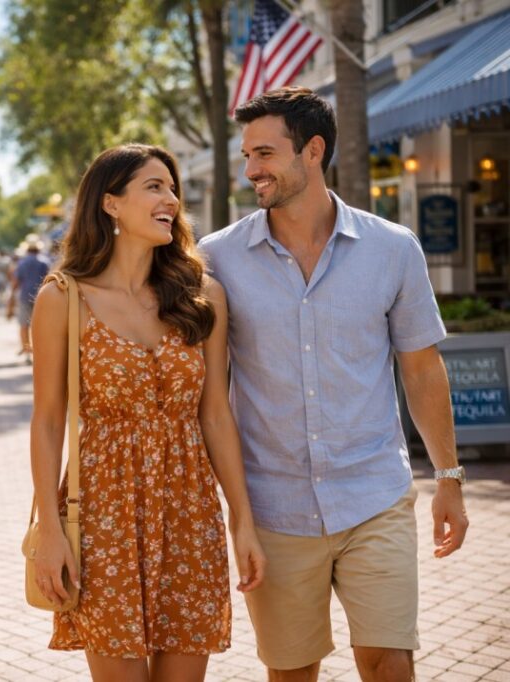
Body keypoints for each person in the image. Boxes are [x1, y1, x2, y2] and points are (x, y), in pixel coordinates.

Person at [199, 87, 468, 681]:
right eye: (246, 156)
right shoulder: (216, 259)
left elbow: (422, 367)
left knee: (389, 662)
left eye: (265, 154)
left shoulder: (392, 248)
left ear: (313, 150)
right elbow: (208, 393)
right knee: (293, 672)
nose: (251, 170)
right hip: (274, 508)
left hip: (374, 494)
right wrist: (235, 513)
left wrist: (448, 477)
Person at [30, 144, 265, 682]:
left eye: (172, 189)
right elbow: (47, 421)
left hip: (189, 511)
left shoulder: (202, 295)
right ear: (110, 203)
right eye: (154, 187)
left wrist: (242, 522)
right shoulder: (63, 298)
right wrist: (50, 531)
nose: (171, 200)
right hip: (104, 513)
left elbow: (216, 416)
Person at [7, 235, 50, 362]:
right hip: (42, 297)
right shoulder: (44, 262)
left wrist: (11, 297)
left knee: (24, 324)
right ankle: (40, 351)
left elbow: (16, 281)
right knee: (41, 325)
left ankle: (27, 352)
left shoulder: (22, 263)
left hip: (24, 296)